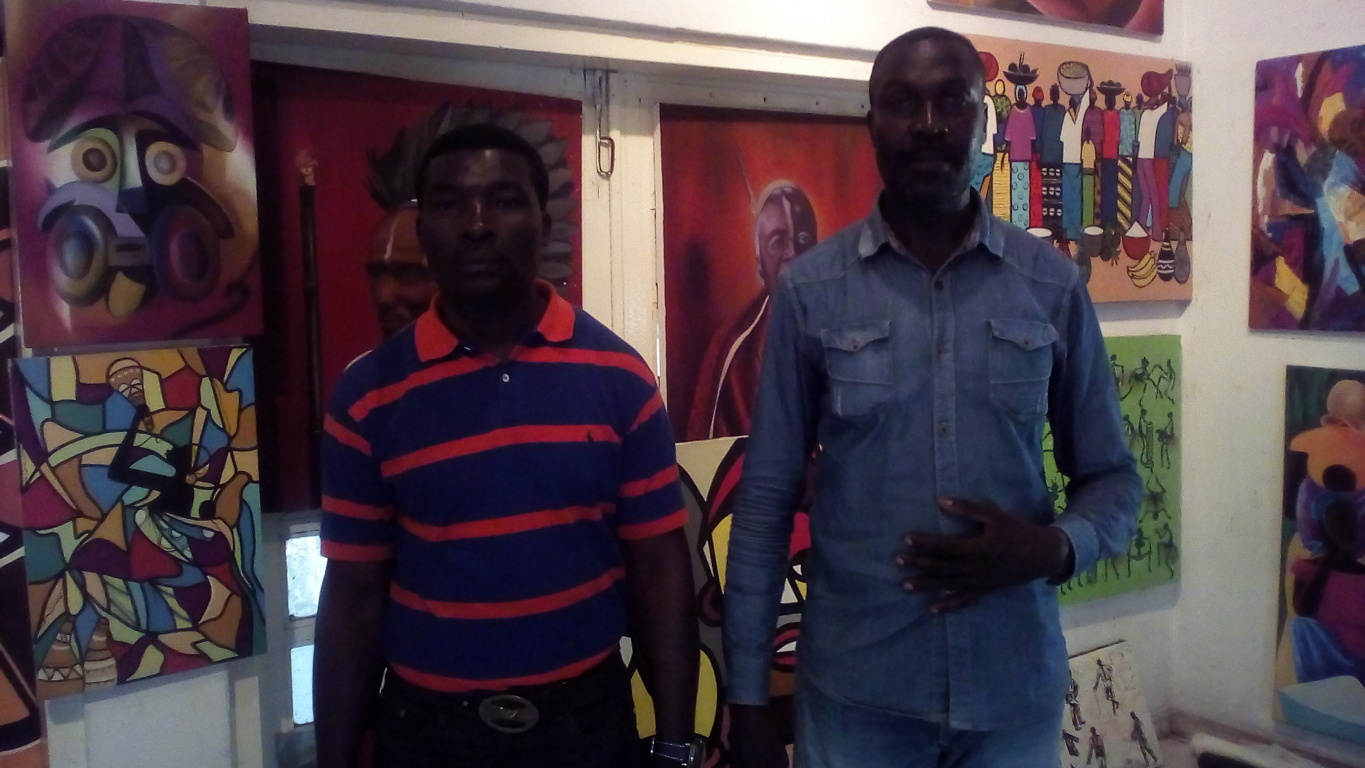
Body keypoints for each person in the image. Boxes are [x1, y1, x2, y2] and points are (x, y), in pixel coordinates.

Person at [723, 27, 1140, 768]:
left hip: (1011, 695)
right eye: (901, 103)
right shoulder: (811, 291)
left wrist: (1051, 547)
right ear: (871, 124)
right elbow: (763, 502)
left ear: (983, 120)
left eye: (951, 101)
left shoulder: (1049, 285)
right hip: (857, 701)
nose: (927, 124)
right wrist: (748, 698)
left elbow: (1113, 480)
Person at [314, 124, 699, 768]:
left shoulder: (620, 378)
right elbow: (353, 595)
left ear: (543, 225)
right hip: (428, 735)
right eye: (448, 204)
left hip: (587, 727)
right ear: (423, 230)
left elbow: (659, 570)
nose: (476, 225)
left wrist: (677, 744)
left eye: (504, 200)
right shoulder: (367, 397)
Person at [686, 182, 818, 441]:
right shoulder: (734, 351)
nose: (792, 253)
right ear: (759, 260)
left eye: (802, 239)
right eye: (777, 241)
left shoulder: (849, 327)